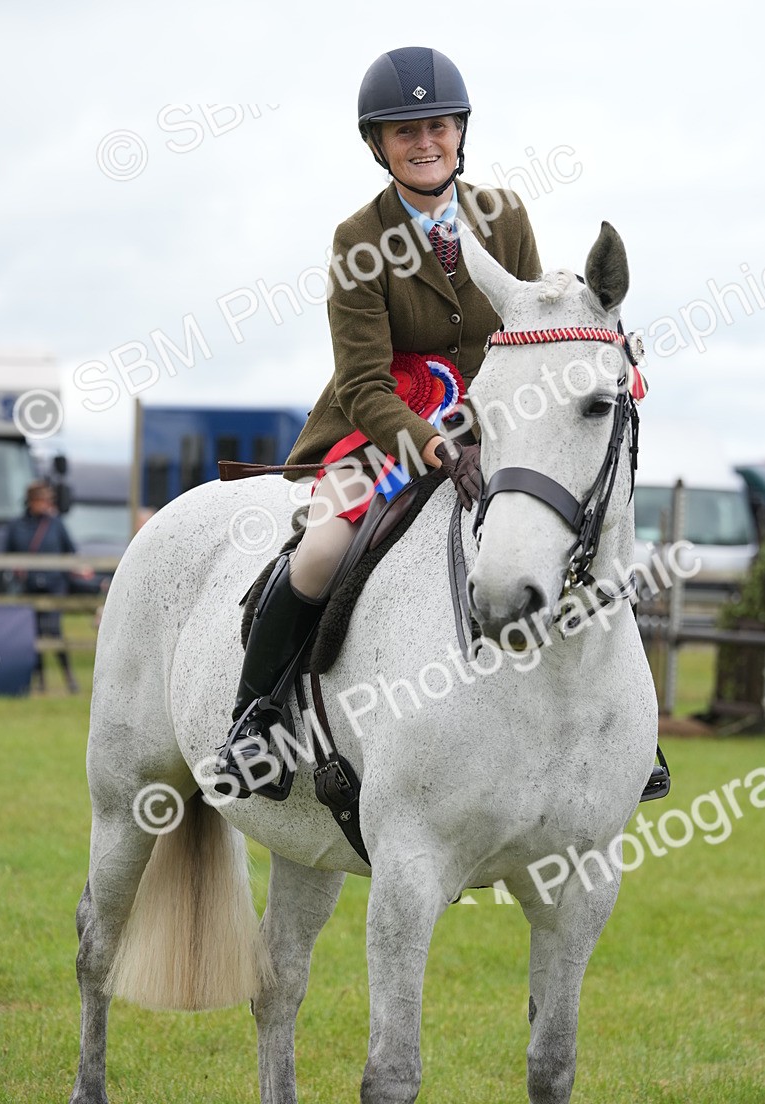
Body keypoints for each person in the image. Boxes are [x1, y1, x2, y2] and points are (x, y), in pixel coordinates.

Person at [215, 46, 542, 797]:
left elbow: (527, 327)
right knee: (324, 550)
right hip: (383, 423)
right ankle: (254, 719)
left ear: (461, 131)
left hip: (498, 416)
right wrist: (430, 440)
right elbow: (362, 379)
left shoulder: (507, 216)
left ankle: (621, 732)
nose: (425, 143)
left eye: (438, 126)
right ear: (378, 145)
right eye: (405, 132)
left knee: (567, 521)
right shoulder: (359, 238)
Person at [5, 481, 80, 694]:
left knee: (54, 631)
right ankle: (40, 681)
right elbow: (7, 554)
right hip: (28, 587)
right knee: (33, 634)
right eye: (42, 500)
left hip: (54, 586)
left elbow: (70, 550)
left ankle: (68, 676)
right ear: (31, 501)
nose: (46, 504)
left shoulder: (56, 524)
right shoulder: (16, 526)